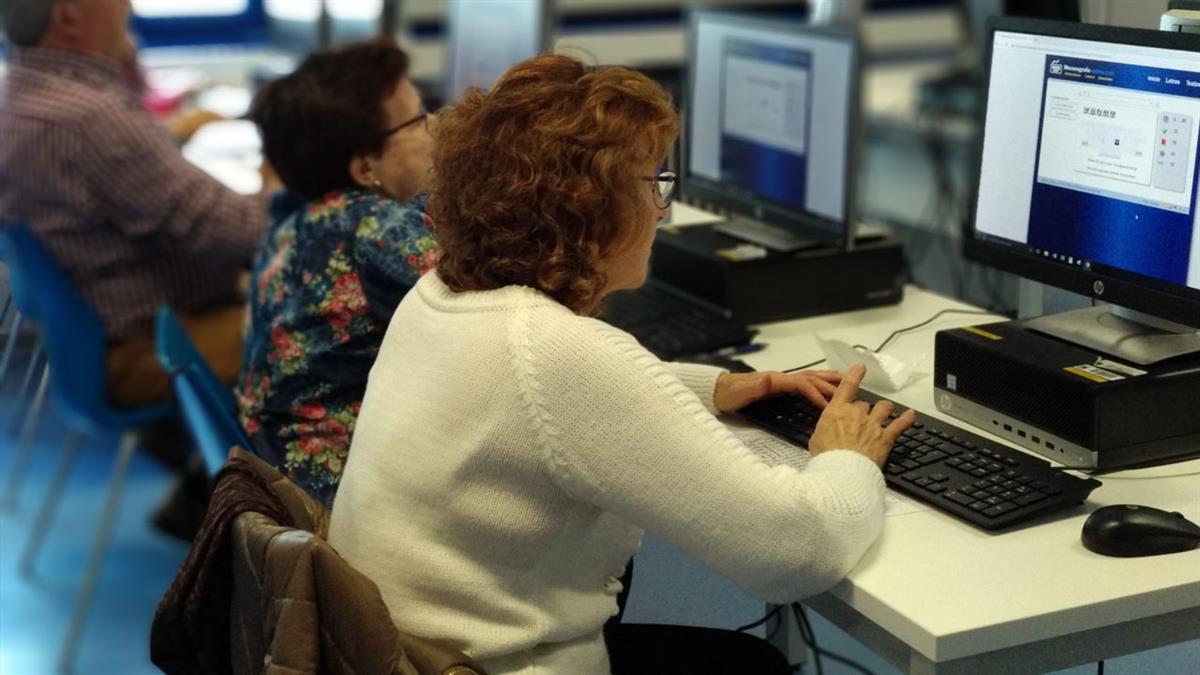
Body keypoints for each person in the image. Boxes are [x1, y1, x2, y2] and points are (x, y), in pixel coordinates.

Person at [328, 54, 916, 675]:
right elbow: (796, 552)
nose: (662, 210)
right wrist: (846, 454)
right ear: (588, 207)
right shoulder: (557, 354)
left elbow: (527, 408)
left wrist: (714, 387)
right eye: (651, 184)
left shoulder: (438, 294)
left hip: (402, 655)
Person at [0, 0, 269, 407]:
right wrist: (288, 177)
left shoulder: (22, 93)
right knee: (339, 319)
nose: (128, 5)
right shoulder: (91, 118)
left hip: (103, 341)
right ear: (68, 16)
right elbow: (241, 234)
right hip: (153, 346)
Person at [237, 38, 437, 508]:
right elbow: (499, 307)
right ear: (366, 166)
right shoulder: (374, 229)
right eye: (418, 120)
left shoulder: (301, 212)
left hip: (276, 465)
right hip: (339, 492)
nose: (435, 127)